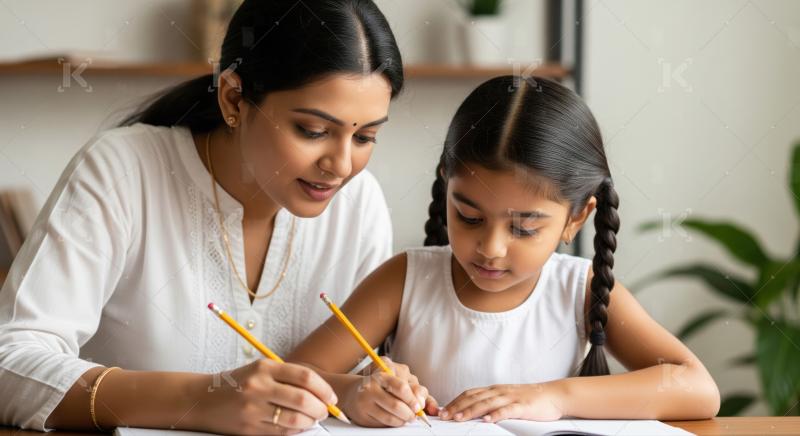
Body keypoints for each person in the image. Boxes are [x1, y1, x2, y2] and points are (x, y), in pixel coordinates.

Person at [0, 0, 404, 433]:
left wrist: (373, 389)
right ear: (234, 98)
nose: (341, 166)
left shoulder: (360, 205)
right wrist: (202, 400)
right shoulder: (122, 170)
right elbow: (11, 365)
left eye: (365, 136)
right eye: (313, 131)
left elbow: (358, 367)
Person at [288, 76, 721, 427]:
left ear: (577, 218)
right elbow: (291, 378)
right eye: (469, 218)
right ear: (446, 187)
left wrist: (551, 396)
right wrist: (355, 390)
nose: (491, 249)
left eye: (524, 228)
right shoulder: (405, 280)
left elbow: (698, 388)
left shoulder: (578, 289)